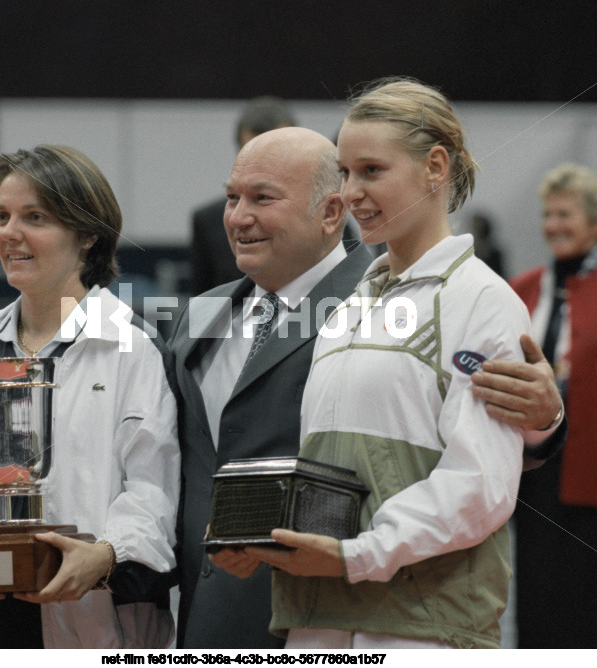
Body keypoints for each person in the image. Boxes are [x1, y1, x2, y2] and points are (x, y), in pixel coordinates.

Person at [175, 119, 564, 647]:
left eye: (261, 198)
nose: (239, 217)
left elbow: (478, 460)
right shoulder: (199, 316)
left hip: (394, 606)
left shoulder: (447, 297)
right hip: (249, 609)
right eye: (231, 198)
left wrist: (546, 422)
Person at [0, 145, 179, 648]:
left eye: (34, 217)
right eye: (1, 217)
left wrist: (105, 555)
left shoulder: (134, 349)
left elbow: (156, 489)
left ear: (88, 235)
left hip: (96, 625)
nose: (8, 233)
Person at [509, 163, 597, 648]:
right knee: (540, 597)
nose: (554, 225)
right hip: (536, 468)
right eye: (548, 214)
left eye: (565, 214)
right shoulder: (523, 287)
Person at [190, 96, 297, 295]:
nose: (263, 165)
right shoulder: (209, 220)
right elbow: (201, 301)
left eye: (274, 154)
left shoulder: (320, 211)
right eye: (251, 152)